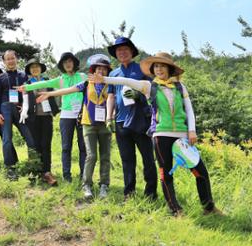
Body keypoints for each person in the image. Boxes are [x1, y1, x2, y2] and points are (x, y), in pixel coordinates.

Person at [91, 52, 221, 216]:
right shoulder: (149, 86)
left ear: (169, 68)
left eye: (162, 66)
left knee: (199, 171)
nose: (159, 69)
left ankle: (209, 207)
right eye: (156, 66)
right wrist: (104, 79)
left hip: (182, 136)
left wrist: (192, 130)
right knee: (166, 174)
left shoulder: (180, 87)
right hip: (161, 135)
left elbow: (189, 109)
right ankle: (175, 210)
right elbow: (126, 81)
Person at [36, 54, 113, 199]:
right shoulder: (85, 83)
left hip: (104, 123)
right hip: (86, 122)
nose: (101, 72)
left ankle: (104, 185)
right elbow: (68, 90)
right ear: (94, 71)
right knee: (89, 154)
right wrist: (49, 94)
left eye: (104, 69)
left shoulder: (110, 85)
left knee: (104, 156)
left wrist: (111, 115)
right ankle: (84, 184)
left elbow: (113, 99)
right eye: (98, 69)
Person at [17, 52, 86, 182]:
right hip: (65, 116)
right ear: (62, 65)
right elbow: (39, 86)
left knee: (83, 147)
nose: (68, 64)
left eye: (70, 61)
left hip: (82, 115)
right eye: (65, 62)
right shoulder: (59, 80)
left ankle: (84, 176)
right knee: (66, 147)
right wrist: (26, 87)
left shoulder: (83, 76)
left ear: (74, 63)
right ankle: (66, 176)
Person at [106, 37, 157, 200]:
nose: (122, 52)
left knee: (148, 158)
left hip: (141, 120)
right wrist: (108, 117)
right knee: (127, 159)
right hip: (120, 122)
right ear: (116, 54)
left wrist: (139, 95)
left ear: (132, 52)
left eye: (125, 49)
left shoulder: (142, 70)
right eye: (118, 50)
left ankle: (151, 193)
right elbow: (111, 97)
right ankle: (129, 192)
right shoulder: (113, 73)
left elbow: (153, 92)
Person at [0, 49, 37, 181]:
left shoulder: (23, 75)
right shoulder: (0, 78)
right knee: (7, 140)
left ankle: (33, 168)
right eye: (8, 59)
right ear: (4, 61)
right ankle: (10, 169)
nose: (11, 61)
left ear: (16, 59)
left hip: (19, 110)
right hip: (5, 108)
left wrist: (25, 108)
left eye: (12, 58)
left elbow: (28, 94)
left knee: (30, 139)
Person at [20, 57, 58, 186]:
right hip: (32, 118)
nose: (35, 69)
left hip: (46, 116)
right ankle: (35, 171)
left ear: (41, 69)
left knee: (46, 144)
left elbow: (55, 94)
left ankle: (47, 172)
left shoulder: (48, 81)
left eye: (37, 67)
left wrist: (56, 110)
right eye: (32, 67)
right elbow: (23, 99)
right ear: (29, 70)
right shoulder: (27, 83)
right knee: (34, 145)